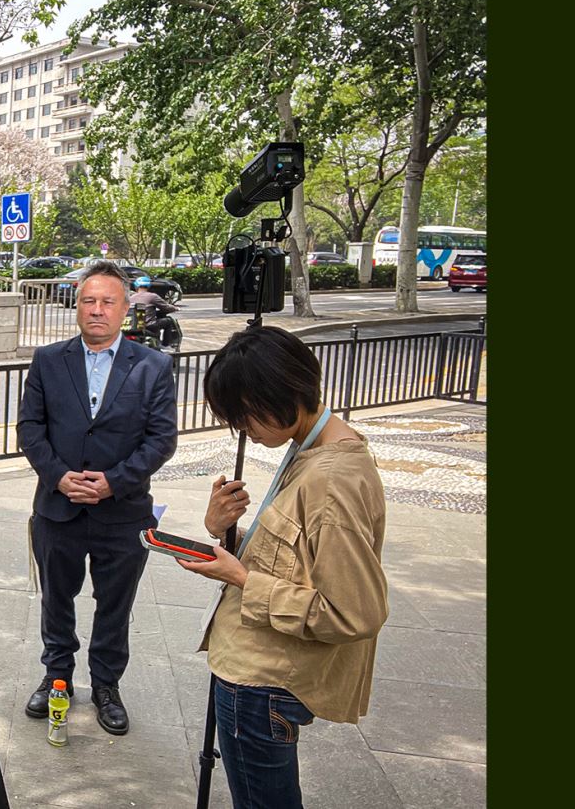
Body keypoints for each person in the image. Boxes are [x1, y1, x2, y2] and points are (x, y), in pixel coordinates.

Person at [177, 325, 388, 808]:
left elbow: (353, 613)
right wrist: (225, 530)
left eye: (244, 417)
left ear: (280, 395)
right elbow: (296, 558)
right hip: (253, 669)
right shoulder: (310, 449)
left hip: (264, 684)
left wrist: (241, 577)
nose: (243, 432)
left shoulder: (332, 480)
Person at [17, 261, 179, 734]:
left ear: (126, 308)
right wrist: (58, 476)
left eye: (108, 301)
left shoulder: (153, 366)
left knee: (115, 604)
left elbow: (161, 439)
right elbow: (30, 427)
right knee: (56, 600)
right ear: (77, 306)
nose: (97, 310)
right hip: (57, 508)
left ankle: (107, 685)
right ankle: (57, 677)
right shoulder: (48, 360)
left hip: (122, 513)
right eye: (89, 301)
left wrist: (113, 481)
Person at [129, 275, 180, 350]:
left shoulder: (131, 298)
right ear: (148, 286)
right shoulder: (153, 296)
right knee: (169, 321)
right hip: (149, 325)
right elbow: (166, 307)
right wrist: (176, 308)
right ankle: (166, 345)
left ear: (136, 286)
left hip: (134, 326)